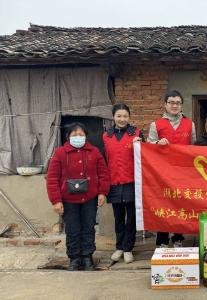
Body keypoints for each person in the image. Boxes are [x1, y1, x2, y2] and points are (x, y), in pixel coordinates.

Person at [46, 122, 110, 271]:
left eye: (81, 135)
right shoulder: (60, 153)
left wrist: (102, 192)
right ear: (68, 137)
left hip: (90, 199)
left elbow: (103, 174)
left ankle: (87, 257)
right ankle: (74, 258)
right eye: (74, 135)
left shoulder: (94, 152)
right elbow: (52, 178)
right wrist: (56, 200)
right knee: (73, 230)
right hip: (68, 201)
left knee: (88, 228)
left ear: (86, 136)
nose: (78, 137)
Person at [148, 90, 196, 248]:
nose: (175, 105)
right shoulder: (156, 124)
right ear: (165, 105)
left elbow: (194, 147)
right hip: (162, 173)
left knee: (180, 204)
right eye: (171, 102)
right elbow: (148, 147)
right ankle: (162, 239)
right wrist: (156, 144)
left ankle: (178, 237)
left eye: (178, 103)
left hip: (183, 172)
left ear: (181, 105)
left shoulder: (190, 124)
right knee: (163, 203)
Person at [103, 103, 145, 263]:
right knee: (118, 217)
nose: (122, 119)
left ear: (129, 117)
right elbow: (104, 159)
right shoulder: (106, 136)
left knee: (132, 217)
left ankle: (128, 248)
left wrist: (141, 143)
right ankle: (119, 247)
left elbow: (145, 155)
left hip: (132, 181)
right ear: (113, 117)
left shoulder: (136, 133)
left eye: (125, 116)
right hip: (114, 182)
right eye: (119, 116)